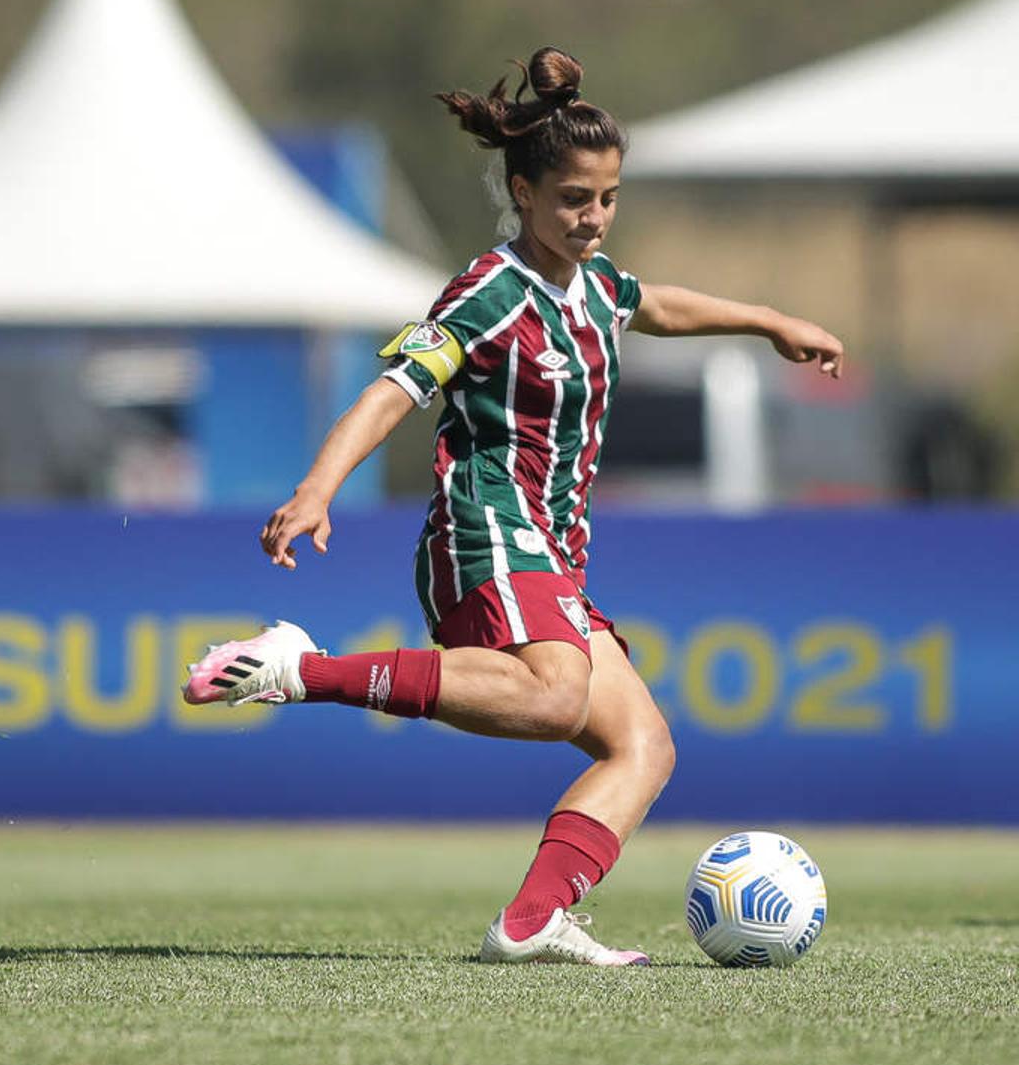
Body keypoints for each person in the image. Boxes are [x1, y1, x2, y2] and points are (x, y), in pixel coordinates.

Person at [182, 47, 845, 966]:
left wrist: (773, 321)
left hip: (554, 548)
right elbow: (392, 390)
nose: (595, 216)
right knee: (556, 694)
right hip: (486, 521)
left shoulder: (597, 284)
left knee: (644, 745)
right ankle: (302, 668)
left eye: (609, 197)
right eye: (576, 197)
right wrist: (317, 488)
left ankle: (530, 922)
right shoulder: (490, 291)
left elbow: (658, 303)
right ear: (524, 192)